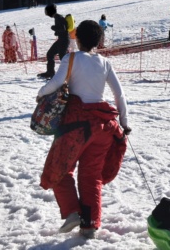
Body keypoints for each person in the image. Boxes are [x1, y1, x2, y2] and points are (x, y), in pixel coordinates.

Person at [38, 20, 130, 239]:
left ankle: (71, 211)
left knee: (60, 167)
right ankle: (89, 224)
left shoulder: (71, 59)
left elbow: (55, 83)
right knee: (91, 176)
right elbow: (120, 95)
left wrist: (41, 94)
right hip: (103, 127)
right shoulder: (105, 63)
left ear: (77, 39)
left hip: (76, 125)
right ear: (99, 40)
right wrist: (124, 124)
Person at [39, 3, 69, 79]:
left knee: (63, 58)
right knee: (50, 54)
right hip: (61, 40)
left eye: (46, 11)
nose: (46, 13)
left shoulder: (58, 17)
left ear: (50, 11)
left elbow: (63, 28)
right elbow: (63, 28)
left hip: (64, 40)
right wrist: (57, 31)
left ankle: (68, 74)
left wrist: (54, 28)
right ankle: (50, 72)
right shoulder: (57, 17)